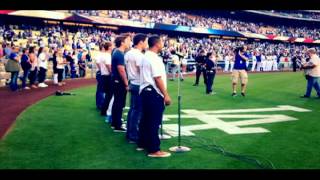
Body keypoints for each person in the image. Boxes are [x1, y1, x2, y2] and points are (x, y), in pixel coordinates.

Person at [138, 35, 172, 158]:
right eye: (162, 42)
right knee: (153, 121)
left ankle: (142, 143)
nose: (163, 44)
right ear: (157, 44)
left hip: (145, 91)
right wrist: (166, 95)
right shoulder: (154, 58)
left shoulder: (146, 56)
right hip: (153, 91)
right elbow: (157, 78)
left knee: (145, 119)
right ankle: (154, 149)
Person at [124, 33, 148, 143]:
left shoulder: (128, 53)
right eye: (146, 41)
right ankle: (133, 135)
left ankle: (130, 133)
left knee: (133, 110)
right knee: (137, 111)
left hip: (132, 82)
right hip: (138, 84)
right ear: (141, 42)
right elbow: (140, 70)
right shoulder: (139, 55)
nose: (147, 43)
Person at [111, 33, 131, 132]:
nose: (130, 42)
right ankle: (117, 125)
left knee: (117, 102)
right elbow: (121, 70)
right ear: (122, 42)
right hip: (119, 82)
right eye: (128, 40)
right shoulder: (119, 53)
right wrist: (126, 83)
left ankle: (115, 122)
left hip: (116, 81)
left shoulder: (117, 52)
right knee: (119, 103)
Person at [98, 42, 113, 116]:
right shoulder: (107, 55)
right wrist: (112, 73)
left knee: (108, 94)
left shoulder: (103, 55)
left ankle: (104, 110)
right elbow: (108, 65)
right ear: (109, 47)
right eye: (111, 46)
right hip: (108, 76)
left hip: (104, 75)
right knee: (109, 95)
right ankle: (104, 110)